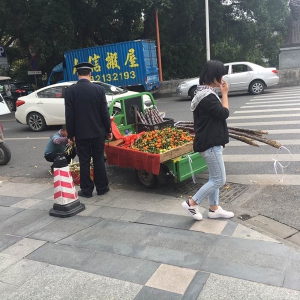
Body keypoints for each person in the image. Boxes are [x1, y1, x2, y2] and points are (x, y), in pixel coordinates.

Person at [181, 60, 234, 220]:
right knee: (219, 179)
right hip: (210, 145)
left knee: (214, 177)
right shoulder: (207, 97)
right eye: (221, 75)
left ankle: (214, 208)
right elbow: (224, 113)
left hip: (209, 142)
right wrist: (225, 93)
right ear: (214, 76)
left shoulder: (202, 93)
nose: (223, 78)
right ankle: (191, 203)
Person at [64, 62, 112, 198]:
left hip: (81, 134)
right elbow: (104, 112)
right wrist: (108, 129)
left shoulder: (70, 91)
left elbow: (70, 115)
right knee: (99, 160)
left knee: (84, 161)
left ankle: (86, 190)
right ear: (90, 74)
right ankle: (102, 188)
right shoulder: (99, 90)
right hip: (98, 132)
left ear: (77, 74)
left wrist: (71, 134)